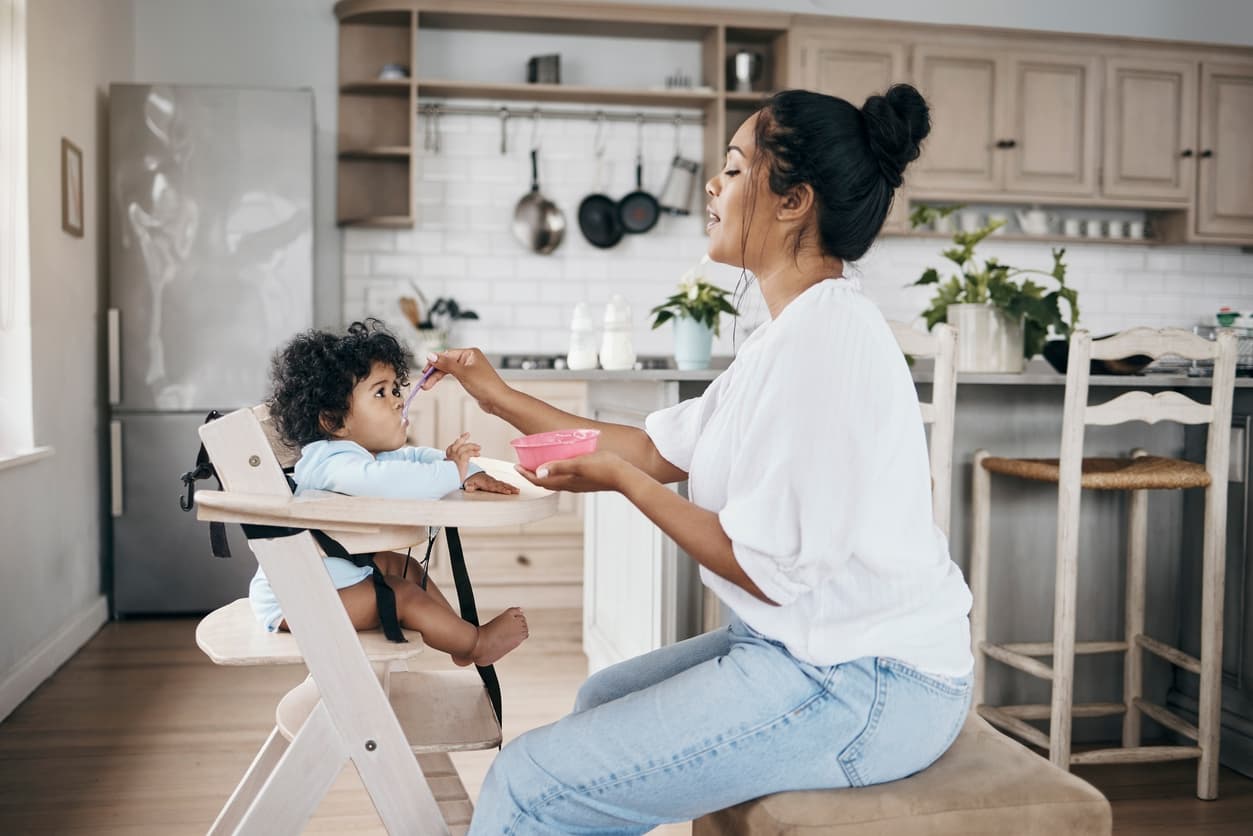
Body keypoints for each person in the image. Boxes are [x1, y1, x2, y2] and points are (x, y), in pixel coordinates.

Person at [424, 84, 974, 834]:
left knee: (527, 784)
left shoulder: (823, 341)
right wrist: (496, 396)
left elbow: (765, 568)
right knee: (599, 701)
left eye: (736, 168)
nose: (712, 185)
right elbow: (652, 449)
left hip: (865, 682)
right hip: (806, 648)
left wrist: (618, 483)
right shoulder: (788, 333)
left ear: (793, 202)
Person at [248, 319, 530, 667]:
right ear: (334, 421)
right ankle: (474, 643)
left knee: (406, 567)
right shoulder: (329, 464)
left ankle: (457, 636)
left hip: (333, 575)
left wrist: (469, 473)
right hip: (298, 598)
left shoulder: (358, 452)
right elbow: (391, 481)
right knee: (402, 595)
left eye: (396, 390)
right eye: (380, 393)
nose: (398, 401)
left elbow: (416, 458)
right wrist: (450, 471)